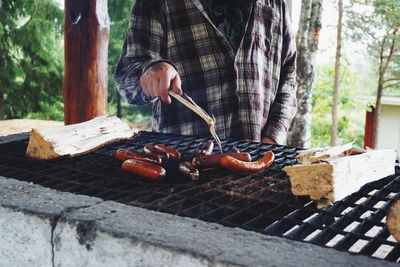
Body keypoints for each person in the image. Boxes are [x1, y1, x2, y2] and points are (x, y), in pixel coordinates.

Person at [115, 0, 297, 144]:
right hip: (180, 167)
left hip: (256, 163)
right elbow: (127, 82)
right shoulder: (156, 3)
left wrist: (273, 136)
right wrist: (150, 71)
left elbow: (288, 77)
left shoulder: (276, 4)